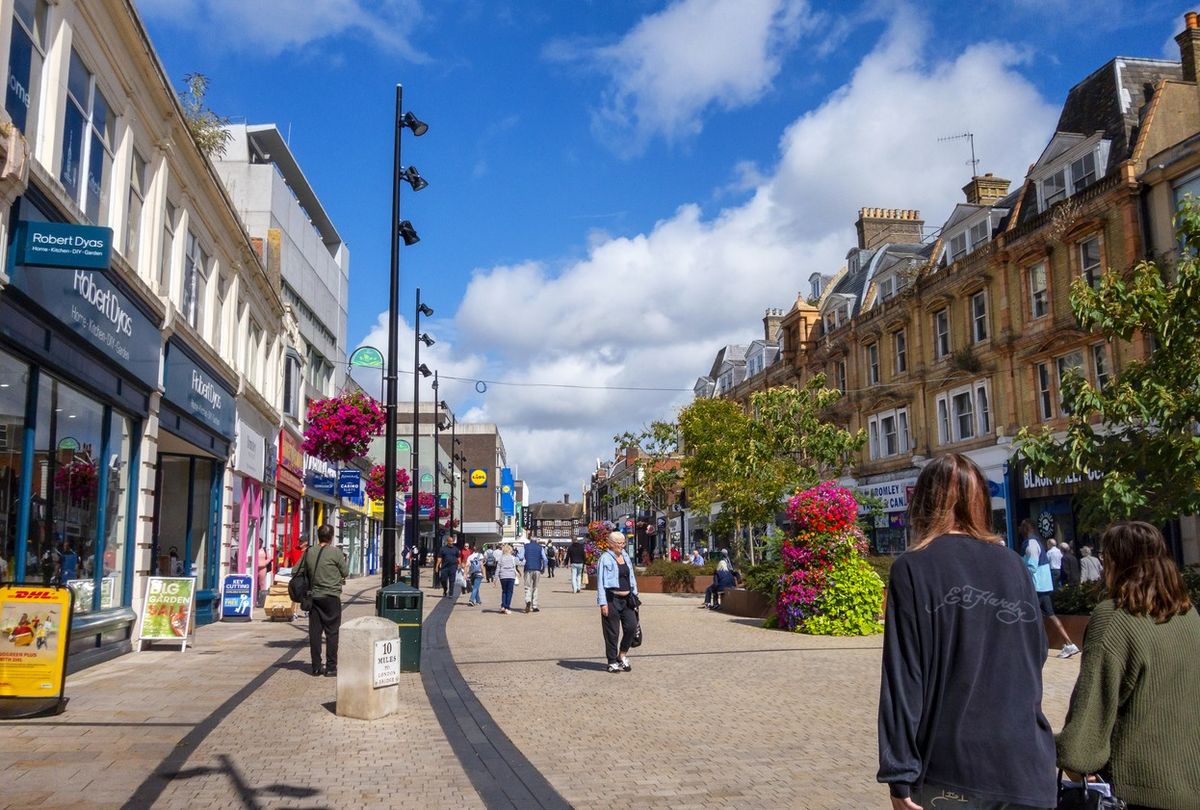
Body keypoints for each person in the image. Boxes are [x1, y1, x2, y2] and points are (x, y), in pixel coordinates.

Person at [878, 453, 1057, 809]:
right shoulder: (1013, 565)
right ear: (980, 504)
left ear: (923, 503)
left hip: (954, 770)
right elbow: (1036, 651)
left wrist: (899, 775)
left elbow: (904, 677)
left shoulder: (912, 568)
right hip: (1026, 764)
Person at [1057, 521, 1200, 808]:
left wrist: (1066, 753)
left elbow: (1092, 708)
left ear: (1114, 562)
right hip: (1189, 785)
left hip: (1135, 789)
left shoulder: (1113, 618)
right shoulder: (1189, 616)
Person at [295, 524, 348, 677]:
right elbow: (345, 571)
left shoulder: (309, 551)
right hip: (331, 597)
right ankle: (331, 667)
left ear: (318, 536)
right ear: (331, 537)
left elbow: (295, 570)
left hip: (314, 597)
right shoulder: (336, 552)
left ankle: (316, 667)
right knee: (332, 633)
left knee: (315, 633)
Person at [1022, 520, 1079, 658]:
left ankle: (1034, 647)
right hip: (1044, 585)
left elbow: (1032, 566)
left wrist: (1020, 571)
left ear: (1026, 528)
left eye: (1021, 527)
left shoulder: (1031, 543)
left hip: (1036, 586)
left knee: (1027, 616)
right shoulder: (1038, 542)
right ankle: (1068, 643)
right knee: (1049, 615)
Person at [597, 531, 639, 673]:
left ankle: (622, 655)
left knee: (631, 627)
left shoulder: (626, 556)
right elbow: (600, 582)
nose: (622, 546)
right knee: (612, 632)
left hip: (627, 599)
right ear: (611, 543)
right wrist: (603, 603)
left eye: (623, 543)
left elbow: (631, 577)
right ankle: (612, 661)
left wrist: (635, 595)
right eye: (618, 543)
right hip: (611, 599)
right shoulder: (605, 558)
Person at [523, 539, 545, 613]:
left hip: (528, 568)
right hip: (537, 569)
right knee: (535, 587)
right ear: (536, 541)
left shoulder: (525, 546)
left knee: (527, 587)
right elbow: (545, 559)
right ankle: (535, 606)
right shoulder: (540, 547)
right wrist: (543, 568)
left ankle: (528, 601)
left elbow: (520, 557)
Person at [497, 543, 518, 614]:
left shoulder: (501, 558)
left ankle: (503, 605)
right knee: (509, 592)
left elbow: (498, 568)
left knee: (504, 591)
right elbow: (515, 566)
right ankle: (507, 607)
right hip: (511, 576)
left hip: (503, 576)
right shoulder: (513, 558)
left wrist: (495, 579)